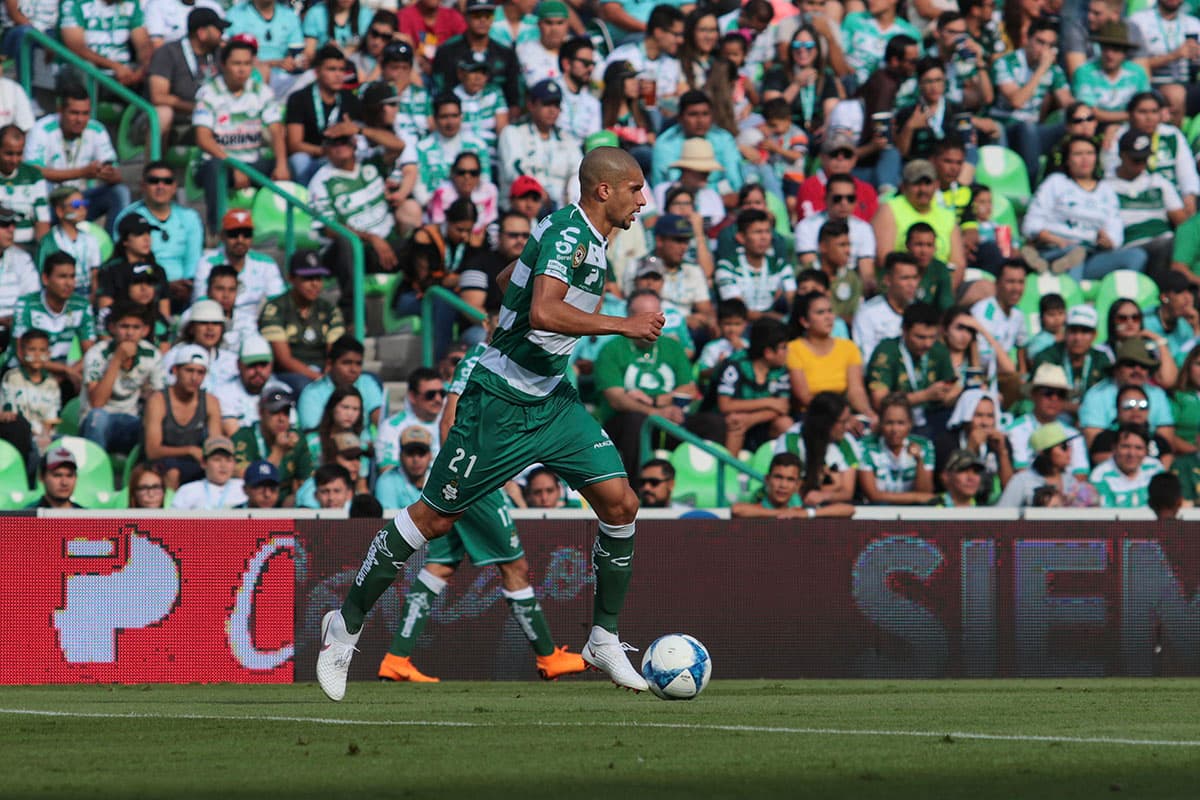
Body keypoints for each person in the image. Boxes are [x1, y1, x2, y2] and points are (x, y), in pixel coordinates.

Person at [317, 147, 663, 700]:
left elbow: (511, 276)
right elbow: (544, 312)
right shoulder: (573, 236)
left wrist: (525, 291)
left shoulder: (578, 233)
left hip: (552, 399)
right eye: (636, 189)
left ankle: (603, 637)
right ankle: (346, 624)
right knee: (431, 520)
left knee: (621, 503)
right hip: (499, 402)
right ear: (605, 190)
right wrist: (624, 324)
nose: (643, 200)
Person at [595, 289, 701, 474]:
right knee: (637, 422)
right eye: (646, 316)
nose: (655, 322)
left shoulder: (673, 346)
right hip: (626, 422)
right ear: (630, 317)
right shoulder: (611, 350)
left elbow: (689, 387)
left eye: (658, 315)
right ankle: (637, 489)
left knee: (713, 424)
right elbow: (617, 399)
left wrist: (659, 401)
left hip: (669, 416)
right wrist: (655, 412)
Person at [193, 36, 288, 231]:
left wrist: (282, 164)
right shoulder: (208, 93)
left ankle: (278, 227)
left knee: (289, 167)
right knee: (214, 168)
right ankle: (216, 230)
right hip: (220, 163)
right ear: (223, 64)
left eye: (247, 63)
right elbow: (203, 139)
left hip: (252, 162)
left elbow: (276, 130)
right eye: (236, 63)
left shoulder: (262, 91)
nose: (242, 69)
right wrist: (233, 165)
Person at [1022, 135, 1146, 281]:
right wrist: (1054, 239)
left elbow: (1115, 233)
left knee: (1137, 256)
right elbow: (1030, 225)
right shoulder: (1055, 183)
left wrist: (1108, 240)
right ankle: (1071, 298)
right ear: (1068, 159)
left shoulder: (1106, 191)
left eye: (1089, 153)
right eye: (1078, 154)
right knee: (1075, 253)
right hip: (1056, 248)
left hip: (1091, 254)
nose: (1085, 159)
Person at [24, 85, 130, 233]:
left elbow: (117, 174)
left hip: (80, 202)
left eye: (85, 113)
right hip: (48, 204)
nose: (80, 119)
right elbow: (33, 172)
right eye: (74, 113)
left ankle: (116, 248)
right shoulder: (42, 130)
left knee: (119, 192)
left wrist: (108, 173)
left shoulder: (97, 129)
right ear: (60, 110)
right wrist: (82, 172)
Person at [990, 17, 1074, 181]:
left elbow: (1068, 103)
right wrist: (1042, 69)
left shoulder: (1053, 70)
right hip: (1007, 128)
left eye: (1050, 45)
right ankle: (1032, 184)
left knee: (1074, 122)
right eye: (1040, 42)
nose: (1044, 50)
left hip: (1034, 131)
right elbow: (1017, 101)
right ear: (1027, 39)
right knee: (1027, 128)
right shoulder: (1006, 63)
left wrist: (1085, 118)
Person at [114, 162, 205, 307]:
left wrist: (187, 285)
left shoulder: (190, 217)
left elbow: (193, 260)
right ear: (143, 185)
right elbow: (124, 259)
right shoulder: (129, 216)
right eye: (154, 181)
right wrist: (162, 285)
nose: (160, 186)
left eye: (167, 181)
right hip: (142, 288)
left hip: (183, 292)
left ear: (175, 187)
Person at [6, 252, 94, 399]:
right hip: (22, 372)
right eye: (62, 277)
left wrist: (70, 372)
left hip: (62, 376)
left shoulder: (82, 305)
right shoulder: (26, 304)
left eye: (72, 276)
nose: (69, 283)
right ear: (45, 279)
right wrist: (64, 370)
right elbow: (21, 353)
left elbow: (90, 352)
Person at [80, 302, 164, 455]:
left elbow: (159, 397)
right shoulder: (97, 353)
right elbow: (97, 403)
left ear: (145, 330)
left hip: (131, 420)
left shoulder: (153, 354)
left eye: (136, 327)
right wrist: (117, 360)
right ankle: (95, 473)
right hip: (95, 422)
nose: (130, 333)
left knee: (154, 423)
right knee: (98, 417)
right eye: (124, 327)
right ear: (112, 328)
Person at [1104, 129, 1188, 281]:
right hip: (1132, 245)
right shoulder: (1106, 186)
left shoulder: (1159, 182)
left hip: (1165, 239)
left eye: (1144, 159)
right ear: (1122, 155)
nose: (1141, 165)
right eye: (1136, 160)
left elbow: (1182, 222)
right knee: (1165, 246)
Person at [258, 250, 345, 394]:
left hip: (324, 372)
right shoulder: (275, 308)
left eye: (318, 278)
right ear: (291, 278)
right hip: (288, 374)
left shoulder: (329, 309)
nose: (315, 284)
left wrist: (328, 376)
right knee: (304, 386)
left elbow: (335, 353)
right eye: (308, 278)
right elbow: (284, 359)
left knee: (368, 381)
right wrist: (318, 378)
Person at [867, 302, 959, 438]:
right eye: (920, 337)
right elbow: (880, 401)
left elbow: (952, 387)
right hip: (895, 424)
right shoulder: (886, 351)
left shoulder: (939, 350)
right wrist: (924, 396)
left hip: (933, 420)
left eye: (932, 337)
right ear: (904, 330)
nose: (927, 344)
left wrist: (950, 394)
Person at [143, 344, 223, 489]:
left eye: (200, 373)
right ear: (175, 370)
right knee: (173, 472)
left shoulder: (211, 402)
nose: (194, 378)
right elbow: (152, 450)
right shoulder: (158, 401)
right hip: (161, 462)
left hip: (194, 462)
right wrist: (190, 450)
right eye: (189, 371)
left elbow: (215, 444)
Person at [496, 79, 582, 209]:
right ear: (531, 105)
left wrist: (571, 199)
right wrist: (538, 192)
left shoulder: (567, 139)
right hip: (522, 208)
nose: (552, 110)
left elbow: (578, 171)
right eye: (547, 104)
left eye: (556, 105)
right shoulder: (512, 132)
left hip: (560, 210)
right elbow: (514, 170)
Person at [786, 290, 872, 421]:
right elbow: (803, 396)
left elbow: (856, 391)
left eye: (830, 311)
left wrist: (869, 414)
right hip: (811, 416)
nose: (828, 317)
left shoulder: (848, 347)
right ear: (804, 321)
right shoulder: (793, 349)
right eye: (820, 313)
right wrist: (841, 416)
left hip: (843, 414)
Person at [148, 8, 227, 149]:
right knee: (162, 113)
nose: (222, 34)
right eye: (218, 30)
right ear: (201, 33)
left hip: (216, 116)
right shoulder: (168, 52)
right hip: (178, 118)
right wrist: (197, 108)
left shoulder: (221, 53)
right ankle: (155, 168)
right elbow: (158, 97)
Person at [872, 158, 964, 274]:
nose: (923, 189)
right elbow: (883, 258)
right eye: (916, 183)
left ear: (936, 185)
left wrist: (943, 289)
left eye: (927, 183)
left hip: (940, 281)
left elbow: (959, 264)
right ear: (904, 186)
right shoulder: (890, 209)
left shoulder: (947, 215)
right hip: (902, 281)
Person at [1079, 337, 1175, 446]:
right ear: (1117, 369)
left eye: (1143, 366)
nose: (1137, 370)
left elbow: (1166, 441)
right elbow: (1094, 443)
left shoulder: (1157, 395)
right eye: (1130, 364)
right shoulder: (1097, 395)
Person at [651, 90, 742, 204]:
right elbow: (668, 183)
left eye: (705, 114)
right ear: (680, 118)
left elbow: (735, 181)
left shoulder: (723, 138)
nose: (700, 121)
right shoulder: (665, 143)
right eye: (693, 114)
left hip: (723, 201)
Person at [433, 0, 521, 115]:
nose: (482, 20)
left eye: (487, 15)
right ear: (466, 17)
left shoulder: (506, 54)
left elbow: (514, 98)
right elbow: (440, 91)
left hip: (498, 118)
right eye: (477, 15)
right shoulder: (447, 52)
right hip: (458, 118)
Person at [1005, 363, 1090, 473]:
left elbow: (1081, 475)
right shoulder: (1015, 430)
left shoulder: (1074, 435)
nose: (1054, 399)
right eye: (1048, 393)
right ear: (1033, 395)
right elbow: (1020, 471)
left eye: (1060, 394)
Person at [795, 173, 876, 286]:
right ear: (826, 199)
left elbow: (866, 271)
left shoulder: (864, 229)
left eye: (850, 198)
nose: (844, 203)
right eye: (837, 198)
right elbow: (810, 266)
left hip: (852, 286)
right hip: (818, 284)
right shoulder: (807, 226)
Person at [714, 209, 796, 321]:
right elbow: (738, 312)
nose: (764, 237)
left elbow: (793, 299)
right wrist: (778, 318)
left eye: (767, 231)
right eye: (757, 232)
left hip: (773, 325)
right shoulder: (727, 267)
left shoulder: (780, 265)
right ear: (741, 237)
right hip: (741, 327)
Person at [934, 388, 1013, 503]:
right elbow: (946, 483)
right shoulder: (946, 442)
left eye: (990, 416)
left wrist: (1002, 452)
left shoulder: (1001, 442)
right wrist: (971, 448)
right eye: (978, 415)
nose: (984, 422)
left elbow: (1010, 489)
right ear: (966, 415)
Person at [857, 392, 936, 505]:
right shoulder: (865, 446)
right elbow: (873, 495)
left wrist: (919, 460)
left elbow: (926, 493)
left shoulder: (924, 445)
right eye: (889, 423)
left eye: (901, 423)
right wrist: (916, 497)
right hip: (877, 511)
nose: (894, 429)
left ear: (910, 424)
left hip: (913, 512)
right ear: (880, 423)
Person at [231, 389, 306, 504]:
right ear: (261, 412)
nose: (281, 419)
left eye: (286, 412)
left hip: (285, 505)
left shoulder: (296, 437)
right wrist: (278, 451)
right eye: (275, 412)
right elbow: (244, 476)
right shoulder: (244, 436)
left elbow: (305, 481)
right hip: (253, 503)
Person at [0, 328, 59, 471]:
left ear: (49, 354)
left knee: (65, 444)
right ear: (21, 353)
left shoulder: (52, 383)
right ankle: (29, 482)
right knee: (33, 447)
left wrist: (45, 436)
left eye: (42, 350)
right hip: (24, 434)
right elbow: (11, 413)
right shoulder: (12, 377)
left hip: (45, 434)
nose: (37, 355)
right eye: (32, 350)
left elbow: (51, 418)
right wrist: (36, 436)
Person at [1071, 21, 1149, 127]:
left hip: (1130, 127)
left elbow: (1146, 107)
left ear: (1125, 52)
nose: (1109, 54)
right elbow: (1090, 112)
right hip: (1094, 128)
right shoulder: (1084, 72)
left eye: (1116, 49)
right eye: (1105, 48)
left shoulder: (1138, 73)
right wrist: (1132, 116)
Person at [732, 451, 855, 518]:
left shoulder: (801, 511)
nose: (783, 485)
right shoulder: (756, 511)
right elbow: (737, 510)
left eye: (790, 479)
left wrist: (806, 514)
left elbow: (848, 510)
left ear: (798, 485)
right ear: (767, 479)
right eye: (778, 477)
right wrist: (782, 514)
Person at [297, 335, 383, 431]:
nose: (353, 369)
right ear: (330, 364)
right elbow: (312, 434)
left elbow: (380, 420)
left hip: (365, 445)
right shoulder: (312, 394)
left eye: (358, 364)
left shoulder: (367, 383)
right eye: (346, 363)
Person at [59, 0, 151, 88]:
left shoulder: (131, 3)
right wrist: (115, 66)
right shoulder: (74, 3)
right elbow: (76, 47)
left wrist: (142, 69)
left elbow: (143, 44)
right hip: (92, 71)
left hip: (125, 71)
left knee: (154, 72)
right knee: (84, 69)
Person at [36, 187, 101, 305]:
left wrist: (93, 296)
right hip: (60, 296)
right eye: (76, 205)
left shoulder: (90, 239)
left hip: (86, 294)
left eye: (84, 204)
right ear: (60, 211)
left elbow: (95, 273)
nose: (82, 209)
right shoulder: (50, 241)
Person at [375, 366, 445, 474]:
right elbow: (387, 472)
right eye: (430, 395)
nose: (438, 399)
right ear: (412, 396)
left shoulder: (452, 423)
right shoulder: (391, 427)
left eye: (442, 393)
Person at [852, 251, 920, 361]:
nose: (912, 284)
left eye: (915, 278)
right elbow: (865, 357)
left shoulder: (921, 312)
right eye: (905, 278)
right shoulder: (867, 313)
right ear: (887, 280)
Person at [1088, 383, 1175, 466]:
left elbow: (1163, 470)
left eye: (1142, 405)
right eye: (1128, 405)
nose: (1136, 410)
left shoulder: (1160, 441)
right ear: (1117, 409)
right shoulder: (1104, 440)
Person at [1090, 423, 1165, 507]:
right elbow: (1106, 515)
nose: (1132, 454)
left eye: (1138, 448)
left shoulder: (1155, 468)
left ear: (1146, 451)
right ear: (1114, 448)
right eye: (1125, 447)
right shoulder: (1099, 476)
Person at [0, 125, 49, 250]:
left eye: (19, 153)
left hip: (27, 247)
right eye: (9, 154)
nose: (14, 160)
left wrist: (41, 250)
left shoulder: (34, 175)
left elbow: (42, 220)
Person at [171, 435, 249, 510]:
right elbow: (173, 521)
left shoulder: (245, 487)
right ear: (204, 463)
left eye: (228, 460)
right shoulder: (188, 490)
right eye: (217, 460)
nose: (223, 465)